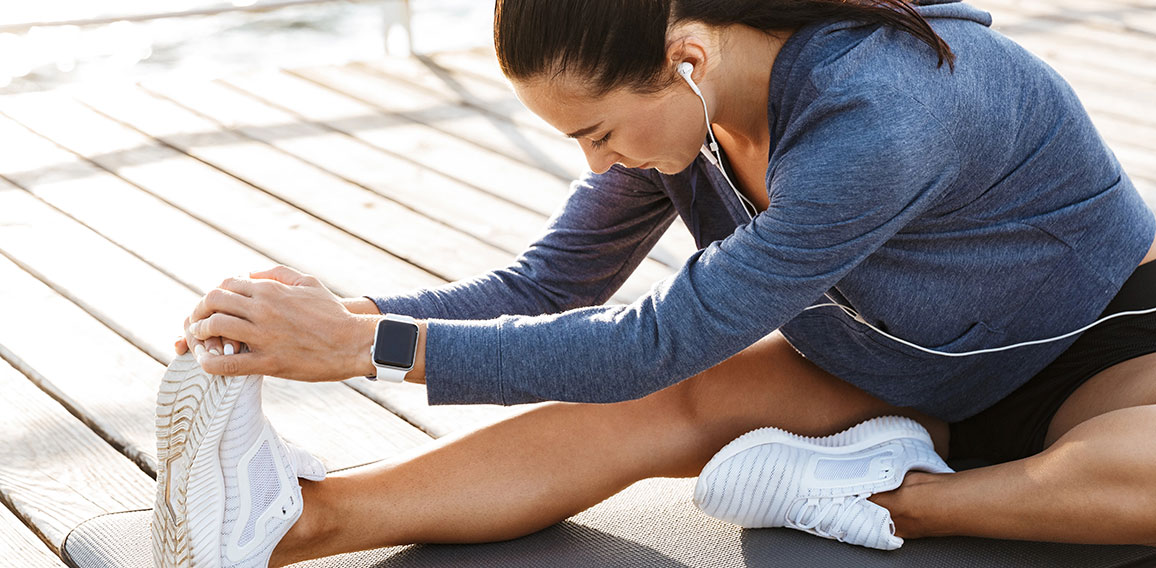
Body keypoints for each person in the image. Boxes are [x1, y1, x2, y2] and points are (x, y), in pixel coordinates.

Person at [153, 0, 1156, 566]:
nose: (598, 164)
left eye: (596, 131)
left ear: (683, 57)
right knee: (662, 404)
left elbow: (659, 333)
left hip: (1102, 349)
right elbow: (555, 281)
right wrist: (350, 320)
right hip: (902, 365)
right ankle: (293, 521)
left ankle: (896, 493)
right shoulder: (692, 114)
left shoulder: (885, 111)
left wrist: (368, 353)